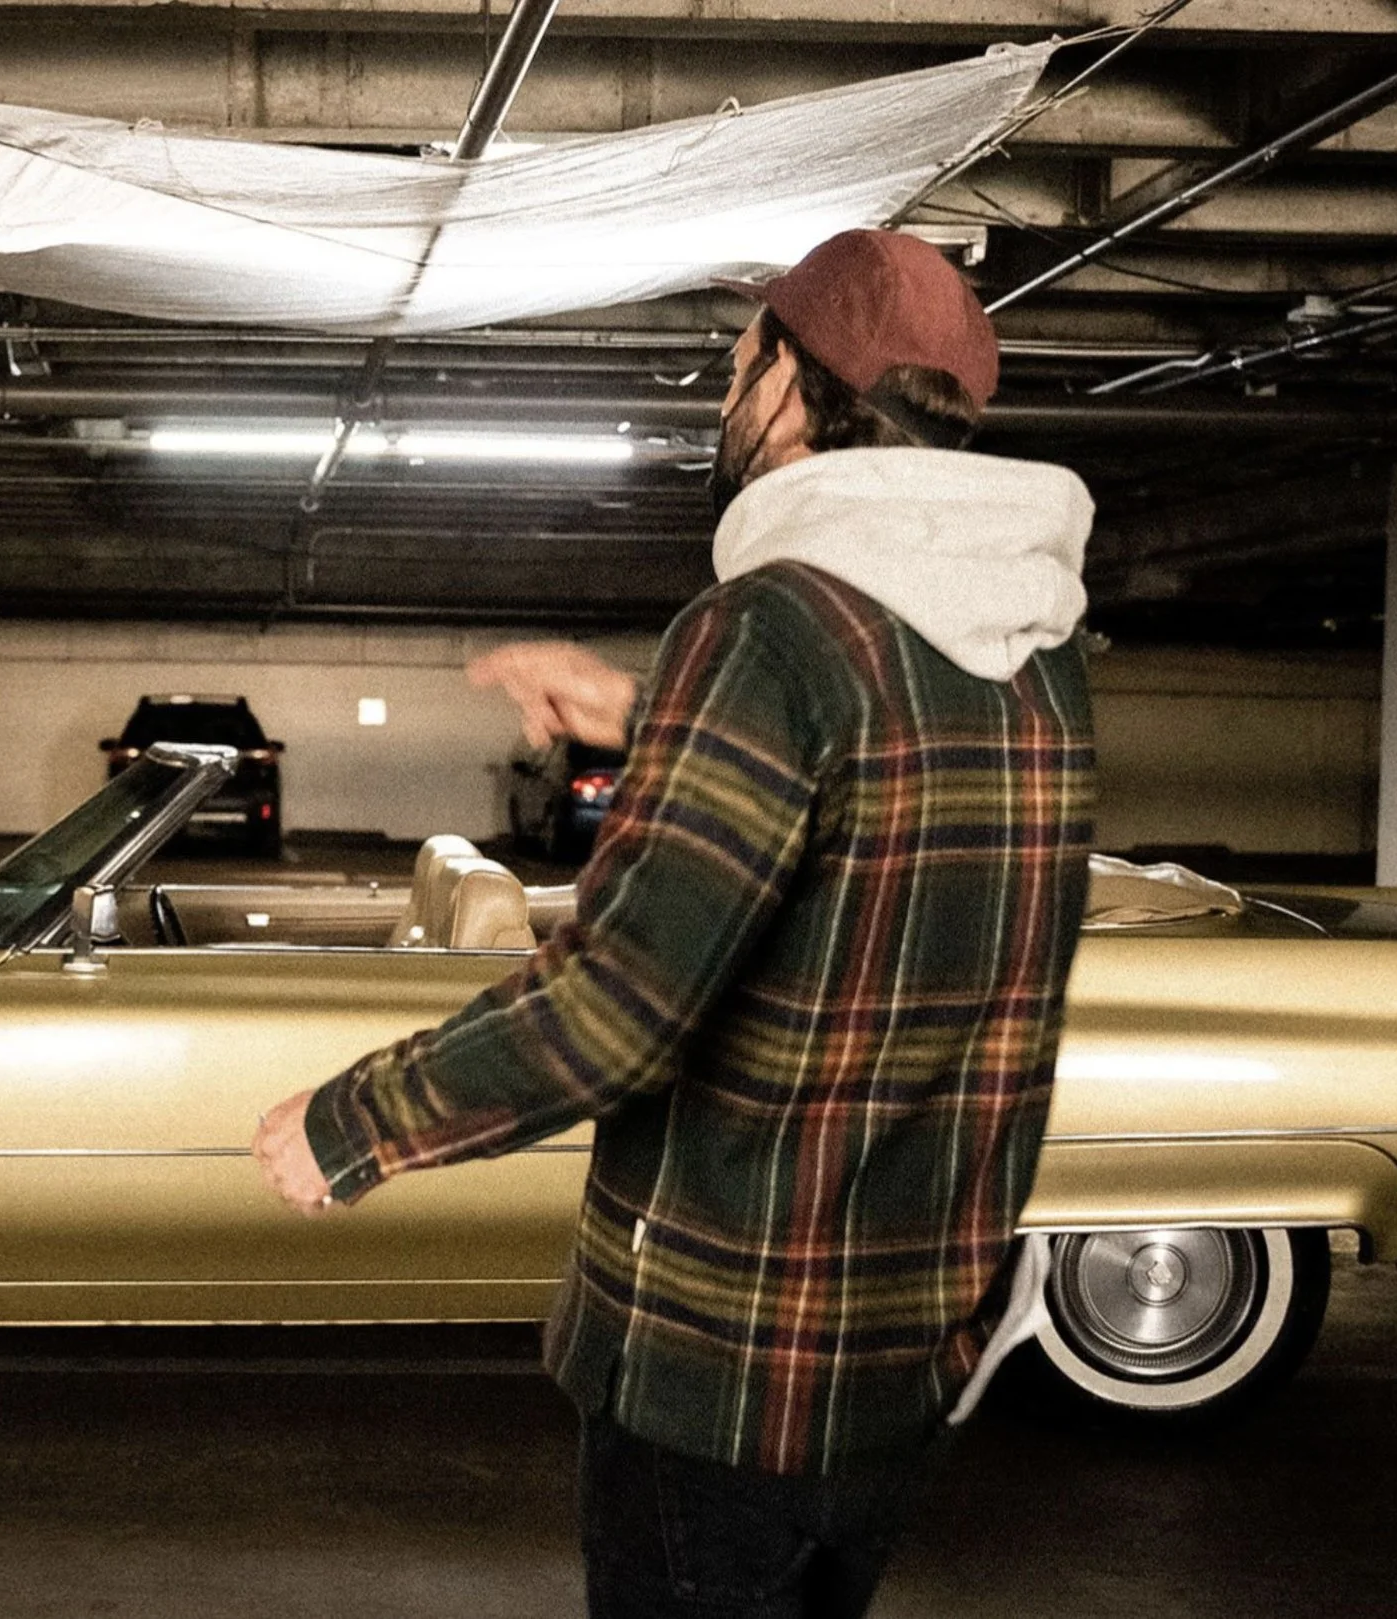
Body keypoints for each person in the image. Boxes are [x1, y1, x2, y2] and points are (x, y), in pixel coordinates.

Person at [253, 229, 1097, 1619]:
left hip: (726, 1363)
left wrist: (357, 1123)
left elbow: (614, 1009)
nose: (724, 390)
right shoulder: (1038, 653)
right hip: (905, 1347)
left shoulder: (767, 627)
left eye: (741, 358)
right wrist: (656, 717)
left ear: (797, 384)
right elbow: (880, 813)